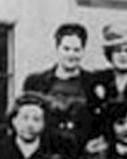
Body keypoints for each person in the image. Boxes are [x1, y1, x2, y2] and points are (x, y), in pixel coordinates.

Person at [23, 22, 94, 151]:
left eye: (76, 50)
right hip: (46, 150)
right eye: (66, 49)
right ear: (57, 48)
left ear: (83, 51)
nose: (71, 55)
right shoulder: (36, 82)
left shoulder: (92, 82)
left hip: (81, 151)